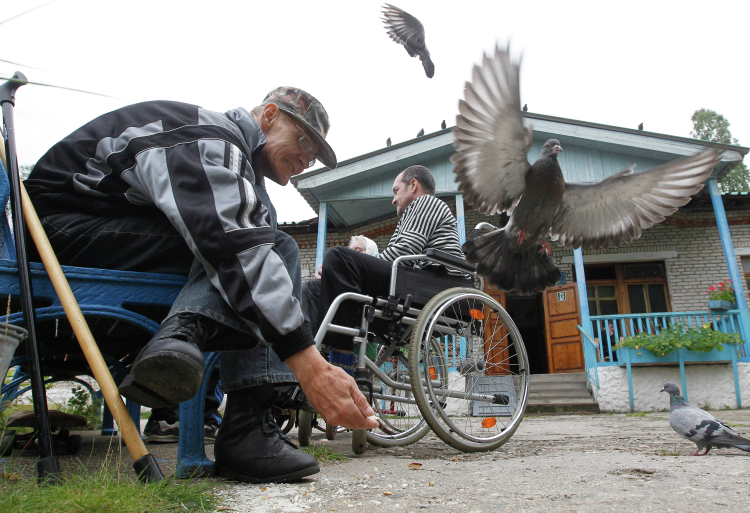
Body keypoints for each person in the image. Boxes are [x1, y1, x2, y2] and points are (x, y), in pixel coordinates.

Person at [24, 87, 377, 484]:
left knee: (264, 244)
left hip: (95, 228)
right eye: (303, 140)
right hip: (54, 231)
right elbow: (236, 247)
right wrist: (309, 365)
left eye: (314, 153)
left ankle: (183, 344)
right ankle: (235, 416)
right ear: (269, 116)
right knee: (269, 249)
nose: (306, 157)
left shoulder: (238, 166)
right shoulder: (210, 137)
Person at [313, 165, 470, 372]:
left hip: (435, 287)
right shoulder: (411, 215)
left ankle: (340, 364)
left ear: (413, 185)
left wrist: (351, 268)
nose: (393, 200)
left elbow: (403, 252)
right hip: (413, 284)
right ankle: (303, 367)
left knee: (338, 256)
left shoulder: (426, 202)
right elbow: (399, 256)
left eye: (396, 191)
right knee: (314, 289)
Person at [302, 235, 378, 326]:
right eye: (349, 250)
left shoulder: (374, 276)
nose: (351, 254)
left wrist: (328, 282)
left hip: (354, 306)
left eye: (357, 251)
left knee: (312, 287)